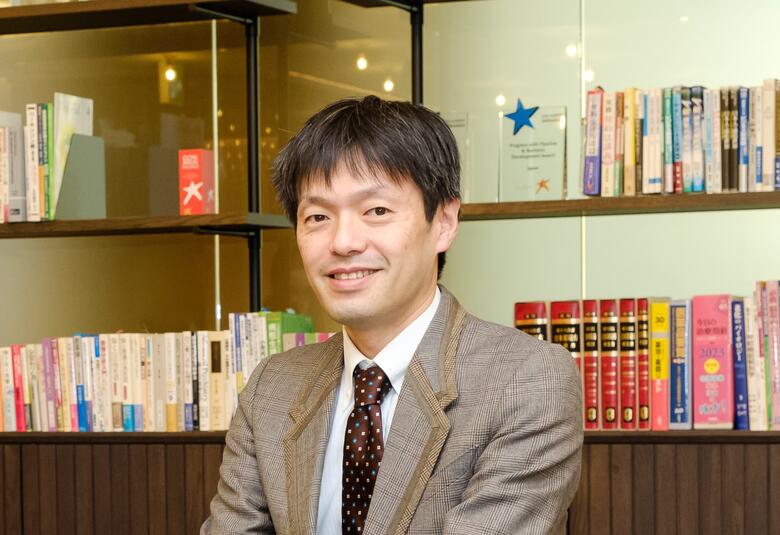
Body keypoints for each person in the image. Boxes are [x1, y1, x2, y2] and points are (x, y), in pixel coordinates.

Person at [202, 95, 583, 535]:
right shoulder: (272, 387)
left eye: (377, 211)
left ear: (444, 222)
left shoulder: (527, 380)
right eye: (318, 216)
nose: (343, 242)